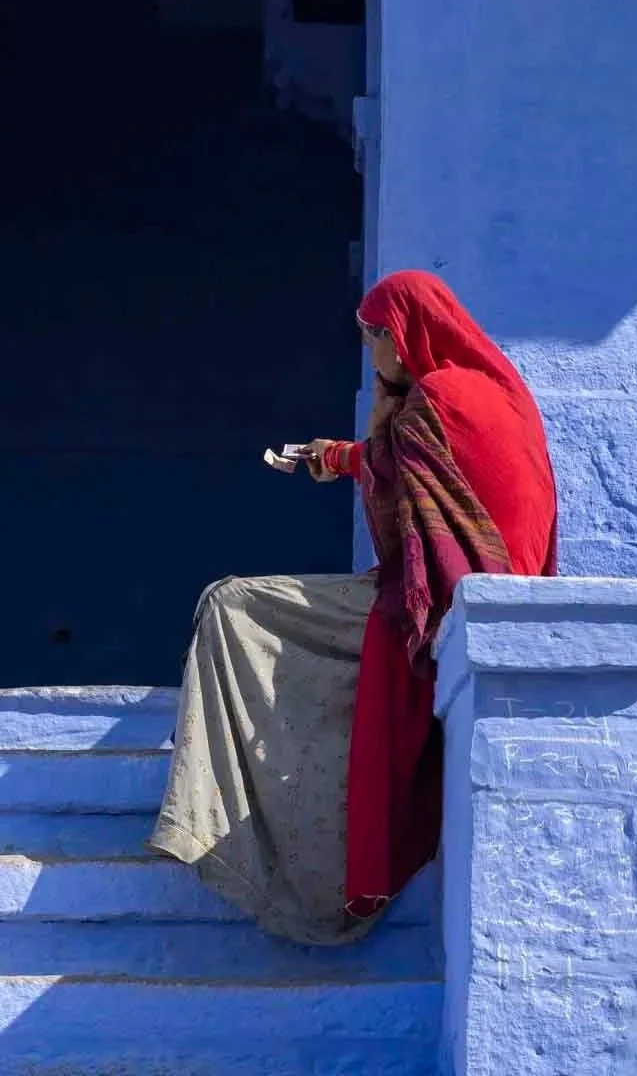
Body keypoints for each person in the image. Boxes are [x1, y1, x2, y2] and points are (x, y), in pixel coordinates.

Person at [148, 270, 559, 945]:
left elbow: (399, 519)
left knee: (229, 605)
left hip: (429, 604)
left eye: (376, 339)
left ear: (403, 336)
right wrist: (336, 457)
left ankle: (208, 820)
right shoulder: (504, 391)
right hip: (481, 607)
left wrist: (378, 415)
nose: (373, 355)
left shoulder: (430, 399)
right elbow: (400, 466)